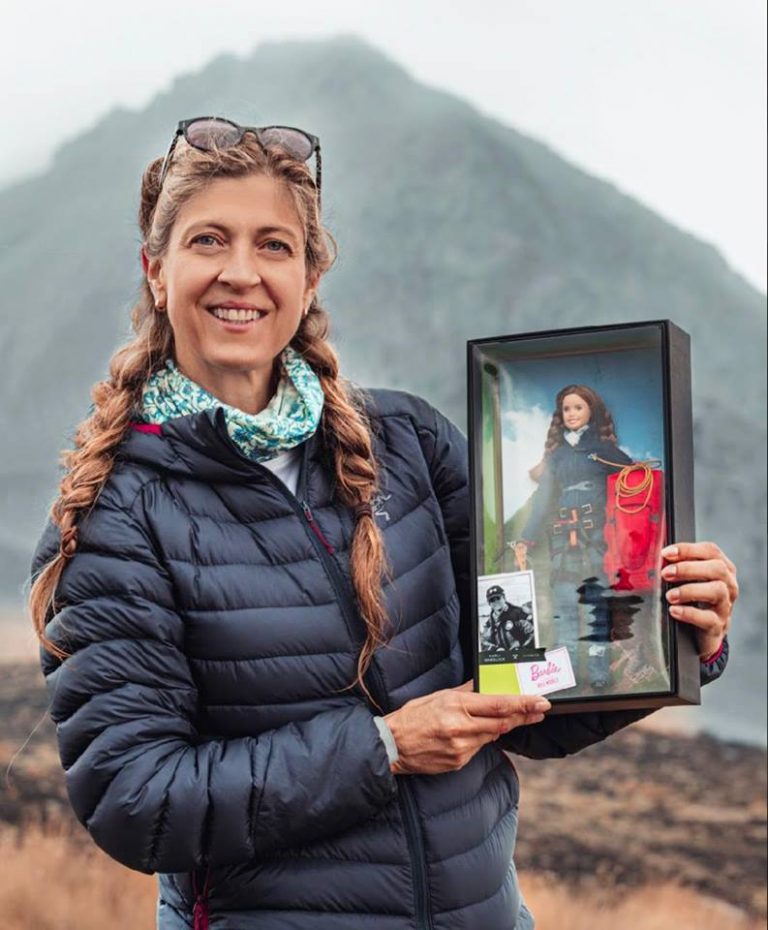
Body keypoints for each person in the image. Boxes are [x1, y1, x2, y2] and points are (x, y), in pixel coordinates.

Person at [27, 117, 738, 930]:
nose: (240, 273)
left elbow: (528, 695)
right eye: (208, 241)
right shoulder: (116, 515)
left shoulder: (410, 443)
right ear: (157, 271)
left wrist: (673, 633)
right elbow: (137, 800)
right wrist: (383, 749)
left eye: (273, 245)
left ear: (311, 275)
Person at [519, 385, 645, 690]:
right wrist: (525, 539)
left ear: (591, 411)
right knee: (564, 610)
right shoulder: (557, 458)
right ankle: (567, 673)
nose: (572, 414)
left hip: (598, 541)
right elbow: (542, 501)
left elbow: (634, 483)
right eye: (566, 408)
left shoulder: (605, 452)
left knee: (597, 608)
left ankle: (600, 673)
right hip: (563, 541)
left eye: (578, 407)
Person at [486, 584, 535, 651]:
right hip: (502, 658)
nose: (496, 602)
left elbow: (532, 633)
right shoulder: (489, 623)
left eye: (498, 598)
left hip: (520, 654)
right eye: (492, 600)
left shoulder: (518, 613)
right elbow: (484, 641)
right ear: (489, 603)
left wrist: (521, 646)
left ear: (504, 598)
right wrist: (495, 649)